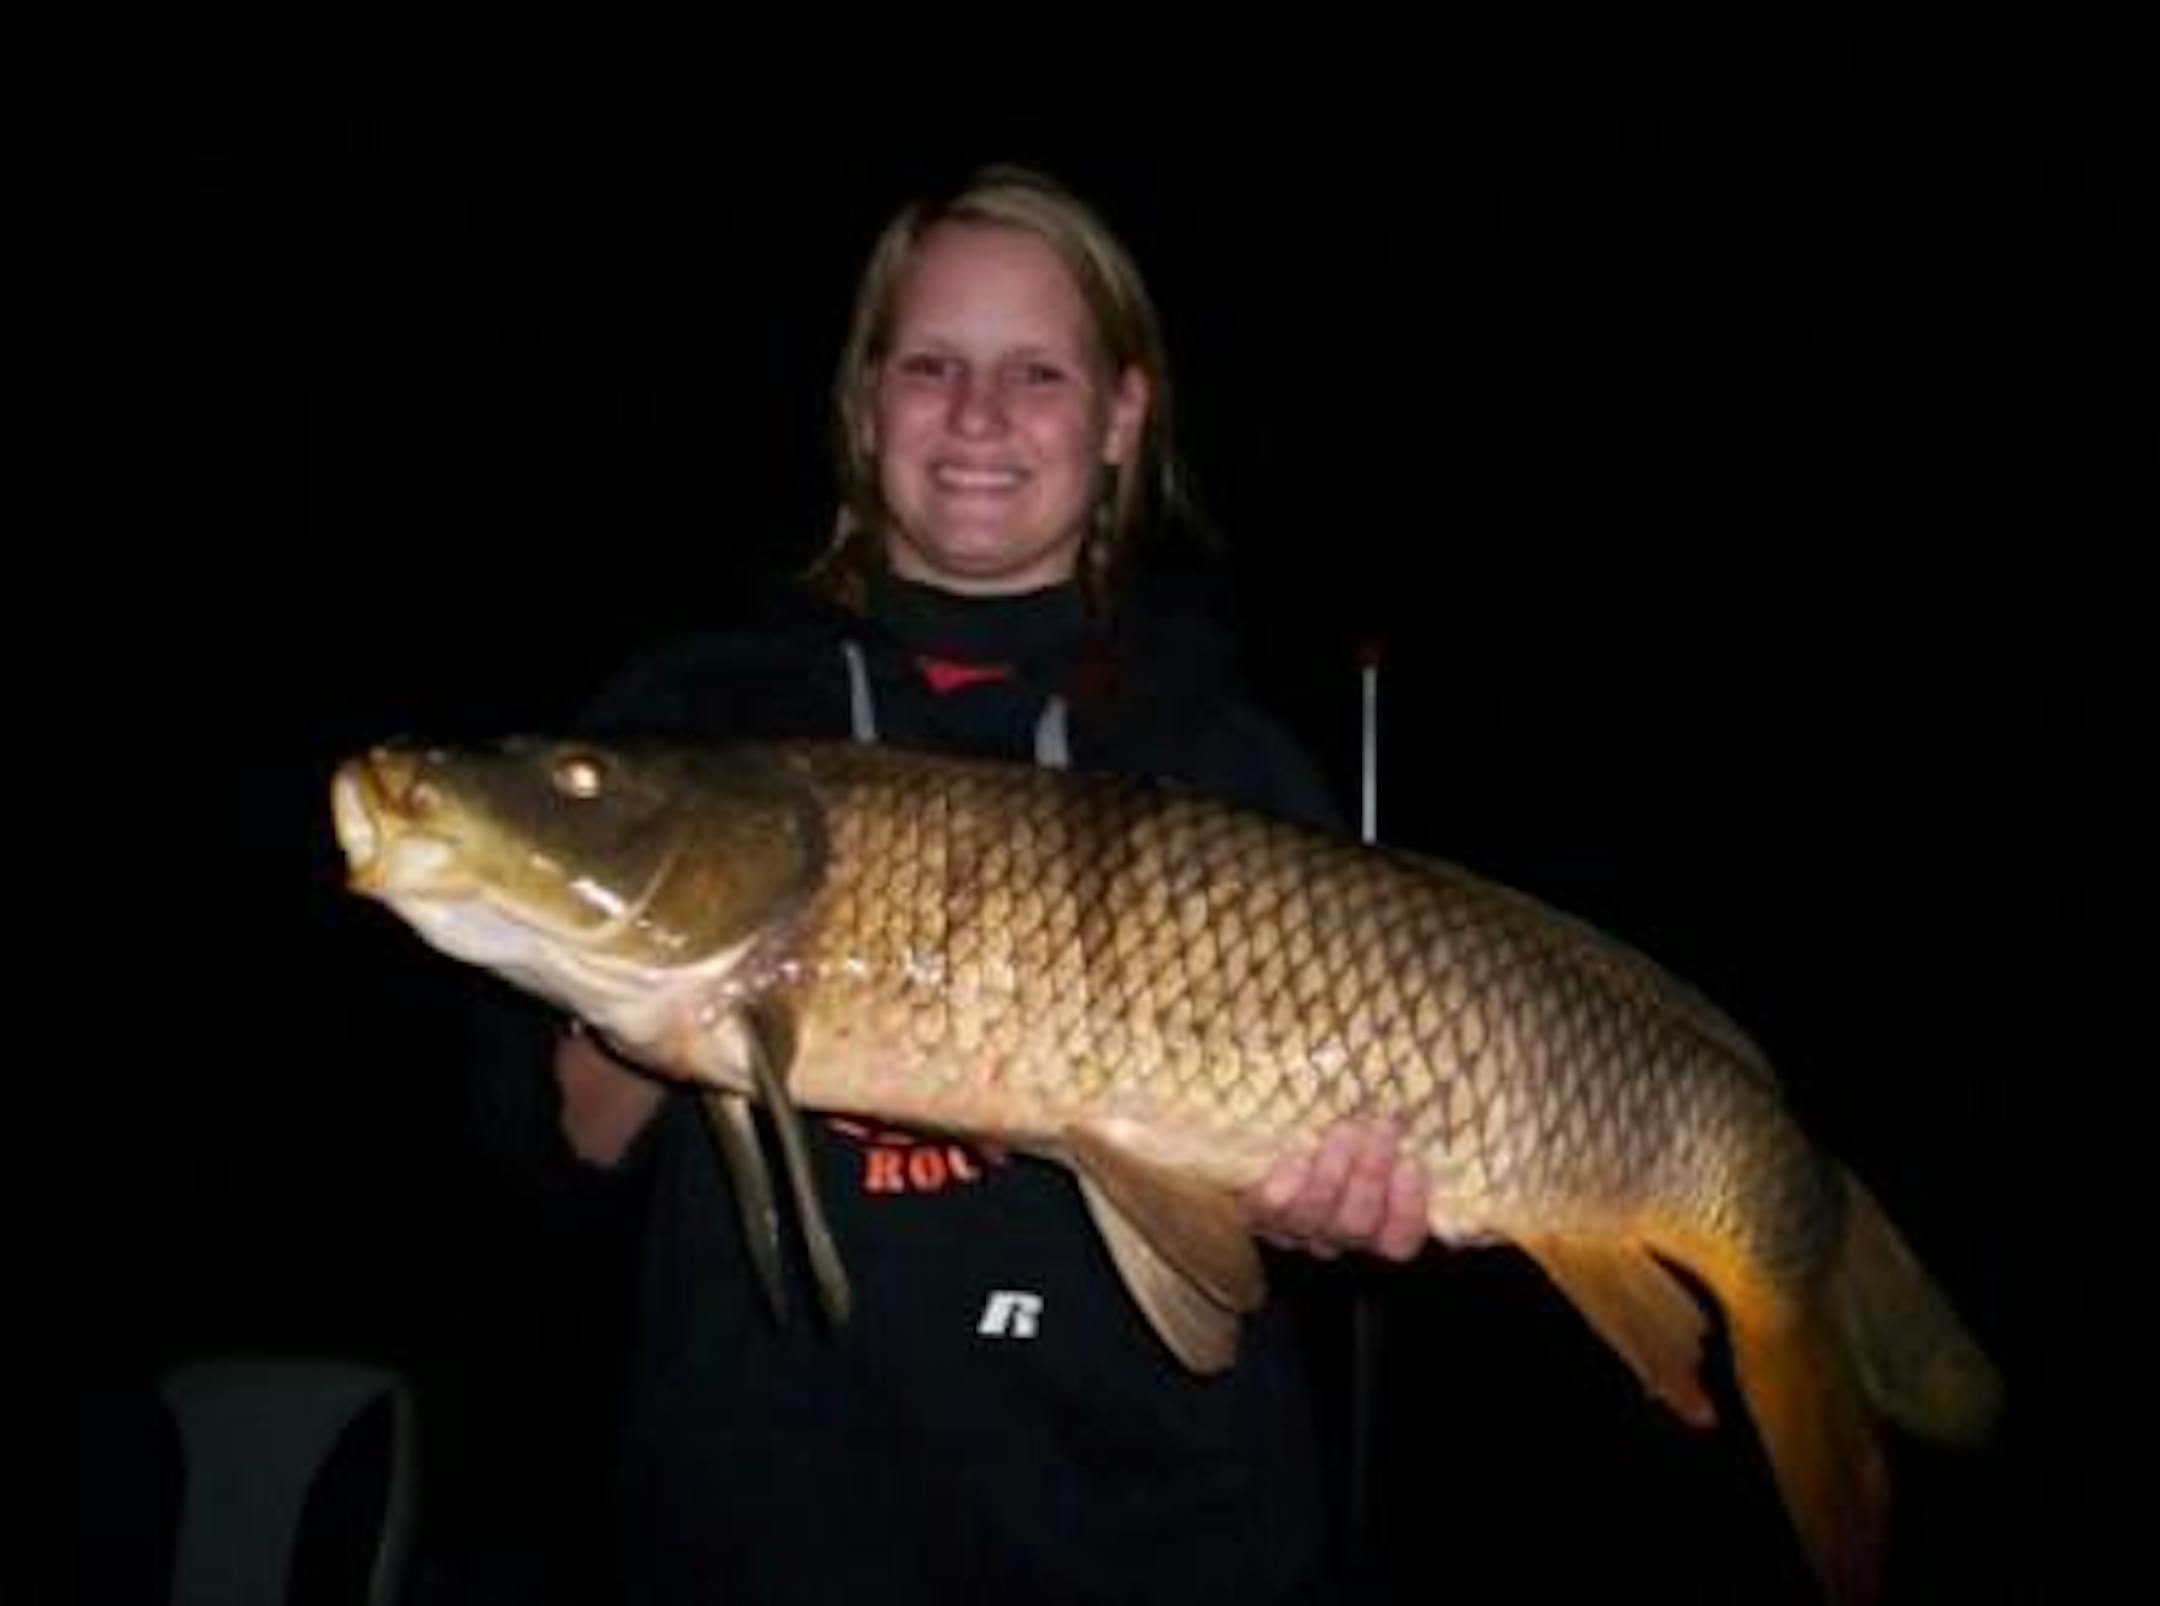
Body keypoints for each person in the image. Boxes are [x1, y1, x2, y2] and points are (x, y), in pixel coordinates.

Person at [469, 164, 1428, 1605]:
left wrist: (1321, 1205)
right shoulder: (697, 715)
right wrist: (647, 988)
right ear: (865, 405)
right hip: (761, 1537)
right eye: (931, 367)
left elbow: (1290, 1226)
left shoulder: (1221, 755)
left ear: (1121, 418)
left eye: (1036, 372)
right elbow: (539, 1158)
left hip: (1159, 1538)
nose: (978, 417)